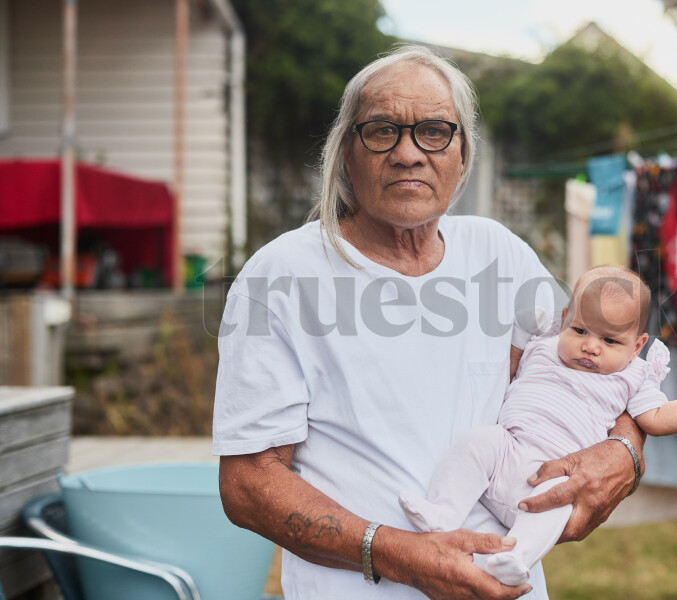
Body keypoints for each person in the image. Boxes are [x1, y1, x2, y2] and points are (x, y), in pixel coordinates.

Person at [213, 45, 646, 600]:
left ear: (462, 154)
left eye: (435, 131)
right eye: (382, 130)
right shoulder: (279, 275)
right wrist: (401, 555)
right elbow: (248, 485)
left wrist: (624, 452)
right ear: (347, 152)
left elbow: (609, 359)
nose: (408, 153)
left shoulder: (499, 252)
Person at [398, 265, 677, 586]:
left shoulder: (632, 375)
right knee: (478, 442)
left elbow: (659, 419)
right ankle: (442, 513)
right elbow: (509, 364)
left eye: (610, 341)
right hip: (508, 449)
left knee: (559, 505)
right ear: (565, 319)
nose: (590, 346)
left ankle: (516, 555)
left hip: (556, 475)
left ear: (637, 346)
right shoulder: (544, 345)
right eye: (580, 330)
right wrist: (522, 324)